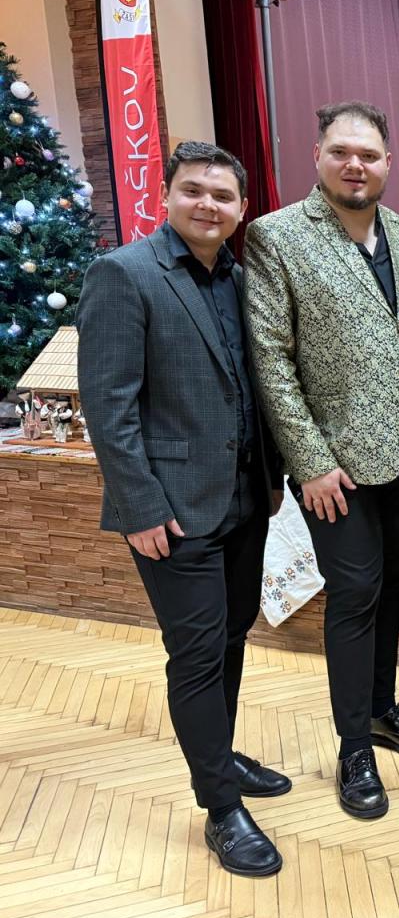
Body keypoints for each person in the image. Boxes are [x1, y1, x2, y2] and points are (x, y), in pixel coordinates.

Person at [78, 141, 291, 878]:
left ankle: (220, 755)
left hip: (244, 500)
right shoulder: (124, 274)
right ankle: (221, 807)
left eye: (223, 196)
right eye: (194, 190)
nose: (209, 205)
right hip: (169, 510)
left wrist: (274, 480)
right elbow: (108, 407)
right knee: (197, 656)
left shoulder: (240, 278)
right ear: (166, 195)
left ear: (241, 209)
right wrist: (138, 506)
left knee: (231, 638)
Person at [244, 101, 399, 820]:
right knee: (355, 590)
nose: (355, 165)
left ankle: (383, 708)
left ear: (389, 162)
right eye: (341, 152)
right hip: (333, 466)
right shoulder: (275, 236)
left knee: (388, 583)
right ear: (318, 157)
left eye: (368, 154)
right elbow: (271, 361)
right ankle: (354, 745)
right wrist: (308, 461)